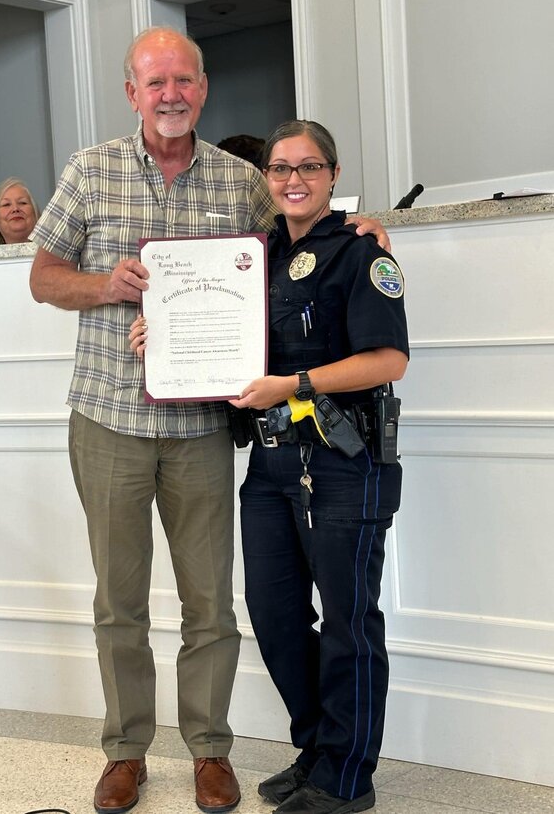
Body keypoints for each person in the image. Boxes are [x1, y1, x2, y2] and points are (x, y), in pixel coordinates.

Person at [29, 26, 391, 814]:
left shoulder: (239, 180)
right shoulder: (90, 171)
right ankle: (126, 749)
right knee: (117, 600)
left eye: (183, 81)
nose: (170, 95)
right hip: (108, 418)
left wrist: (365, 226)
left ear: (202, 89)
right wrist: (107, 287)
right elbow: (42, 277)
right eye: (154, 82)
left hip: (201, 430)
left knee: (210, 604)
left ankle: (209, 749)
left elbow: (304, 217)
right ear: (133, 92)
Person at [231, 121, 409, 814]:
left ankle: (347, 776)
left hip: (343, 461)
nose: (293, 180)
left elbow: (387, 360)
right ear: (266, 179)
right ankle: (316, 750)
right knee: (274, 616)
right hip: (272, 465)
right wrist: (166, 330)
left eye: (308, 167)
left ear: (333, 174)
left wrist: (295, 385)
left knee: (348, 622)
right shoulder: (256, 255)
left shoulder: (362, 252)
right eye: (280, 169)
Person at [0, 177, 39, 245]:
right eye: (6, 204)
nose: (15, 209)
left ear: (36, 215)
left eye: (22, 203)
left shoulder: (53, 253)